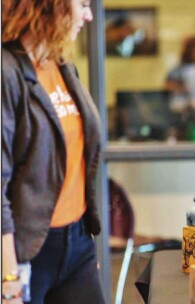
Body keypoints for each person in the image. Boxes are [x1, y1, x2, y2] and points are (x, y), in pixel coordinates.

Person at [2, 1, 106, 303]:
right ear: (50, 6)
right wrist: (8, 282)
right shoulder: (6, 72)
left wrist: (80, 247)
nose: (88, 16)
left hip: (76, 246)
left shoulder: (62, 66)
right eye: (83, 4)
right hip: (26, 253)